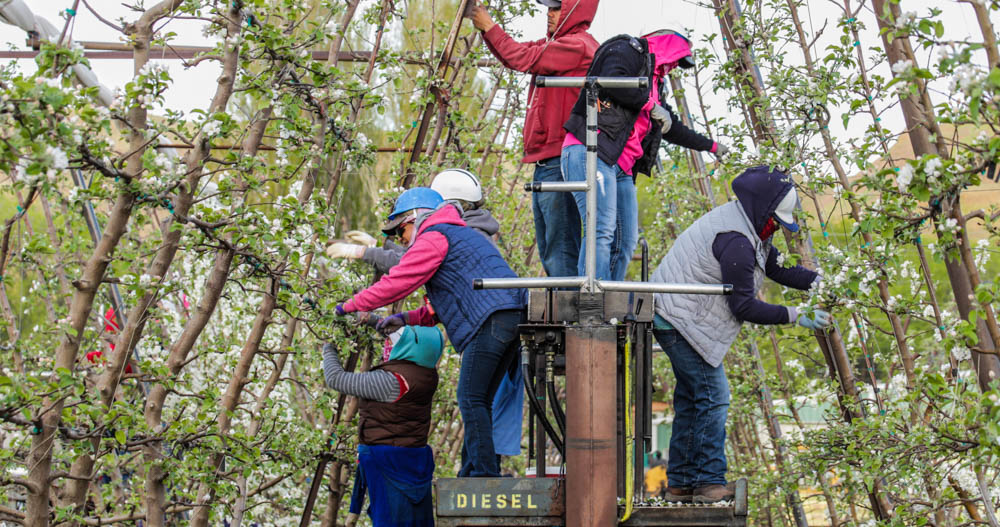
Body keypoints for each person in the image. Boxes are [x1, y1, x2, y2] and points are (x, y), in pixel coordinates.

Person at [650, 166, 830, 503]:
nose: (777, 225)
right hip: (678, 319)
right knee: (713, 396)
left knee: (692, 401)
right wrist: (796, 315)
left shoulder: (749, 226)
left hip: (676, 315)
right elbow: (743, 307)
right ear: (763, 209)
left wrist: (816, 281)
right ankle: (706, 483)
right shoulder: (736, 241)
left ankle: (681, 484)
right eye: (776, 219)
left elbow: (774, 266)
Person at [326, 171, 524, 464]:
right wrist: (406, 318)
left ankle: (482, 477)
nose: (401, 240)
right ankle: (474, 473)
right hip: (508, 315)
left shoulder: (436, 234)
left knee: (470, 398)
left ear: (414, 218)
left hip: (492, 319)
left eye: (400, 232)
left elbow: (399, 281)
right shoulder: (456, 233)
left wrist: (349, 306)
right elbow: (444, 305)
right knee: (480, 398)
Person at [561, 29, 728, 281]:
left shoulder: (654, 85)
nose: (673, 67)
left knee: (626, 241)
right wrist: (650, 106)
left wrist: (712, 147)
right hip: (590, 150)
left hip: (621, 168)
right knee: (601, 230)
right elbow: (609, 78)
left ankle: (609, 301)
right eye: (675, 59)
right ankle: (592, 304)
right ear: (666, 47)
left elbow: (672, 126)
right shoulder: (625, 49)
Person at [467, 0, 599, 278]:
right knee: (551, 243)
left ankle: (567, 310)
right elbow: (517, 54)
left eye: (556, 8)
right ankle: (563, 304)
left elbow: (521, 58)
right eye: (548, 8)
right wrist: (487, 29)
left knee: (560, 244)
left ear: (576, 10)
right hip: (548, 159)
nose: (549, 14)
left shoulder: (577, 46)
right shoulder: (559, 44)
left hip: (560, 158)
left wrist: (489, 25)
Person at [322, 323, 445, 527]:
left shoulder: (391, 381)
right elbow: (399, 334)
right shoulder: (426, 374)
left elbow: (336, 379)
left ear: (406, 349)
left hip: (388, 463)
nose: (388, 345)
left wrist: (328, 349)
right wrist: (368, 318)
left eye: (393, 342)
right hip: (412, 460)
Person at [327, 169, 500, 274]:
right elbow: (414, 255)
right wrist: (376, 246)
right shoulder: (472, 230)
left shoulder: (460, 235)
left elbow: (408, 263)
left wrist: (361, 252)